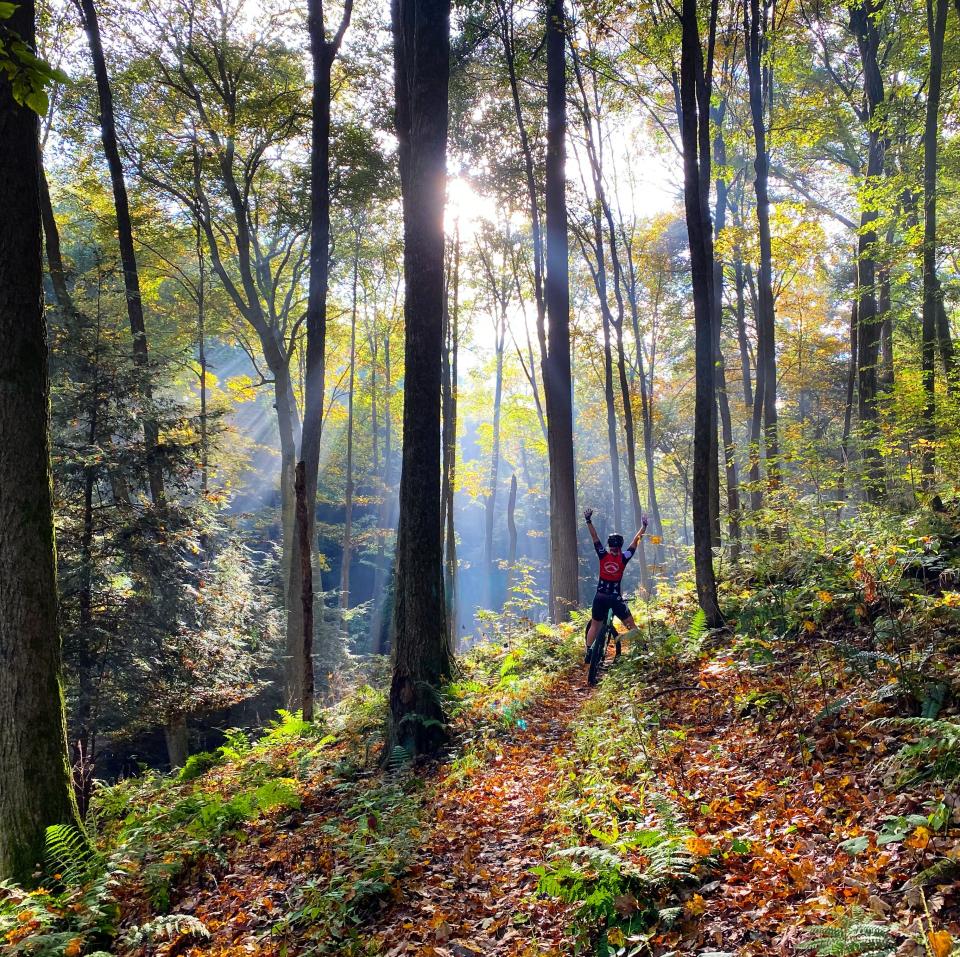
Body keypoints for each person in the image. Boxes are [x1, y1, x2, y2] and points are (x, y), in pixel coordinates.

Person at [583, 507, 647, 662]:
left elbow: (594, 537)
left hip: (600, 596)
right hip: (614, 597)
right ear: (620, 546)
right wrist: (643, 527)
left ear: (610, 546)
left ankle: (589, 651)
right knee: (631, 625)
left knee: (594, 625)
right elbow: (635, 542)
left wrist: (588, 520)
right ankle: (644, 652)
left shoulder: (603, 554)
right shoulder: (623, 557)